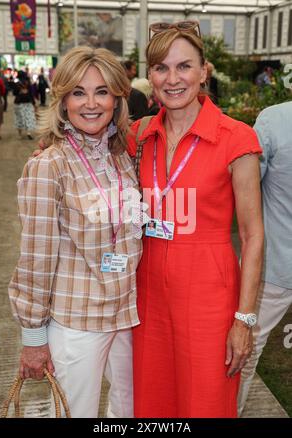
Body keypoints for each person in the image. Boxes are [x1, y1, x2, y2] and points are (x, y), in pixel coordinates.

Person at [127, 20, 264, 418]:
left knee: (205, 404)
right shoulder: (138, 135)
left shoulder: (235, 138)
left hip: (209, 295)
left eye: (184, 66)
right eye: (161, 68)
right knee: (153, 403)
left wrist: (244, 320)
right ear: (149, 75)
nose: (172, 79)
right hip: (148, 295)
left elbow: (254, 237)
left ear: (205, 71)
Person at [8, 46, 143, 418]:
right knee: (74, 412)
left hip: (128, 314)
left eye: (102, 91)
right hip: (78, 320)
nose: (91, 103)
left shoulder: (121, 156)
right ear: (62, 99)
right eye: (78, 92)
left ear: (117, 99)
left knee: (129, 409)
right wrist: (34, 339)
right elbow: (36, 258)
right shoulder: (49, 164)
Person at [238, 101, 292, 415]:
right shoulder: (275, 120)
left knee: (247, 348)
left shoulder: (275, 119)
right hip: (275, 261)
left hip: (274, 261)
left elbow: (245, 182)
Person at [13, 70, 36, 140]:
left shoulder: (17, 83)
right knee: (28, 117)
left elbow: (14, 93)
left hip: (18, 103)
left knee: (19, 118)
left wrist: (20, 91)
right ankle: (28, 133)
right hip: (28, 102)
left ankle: (20, 134)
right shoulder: (28, 83)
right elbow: (31, 94)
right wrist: (34, 103)